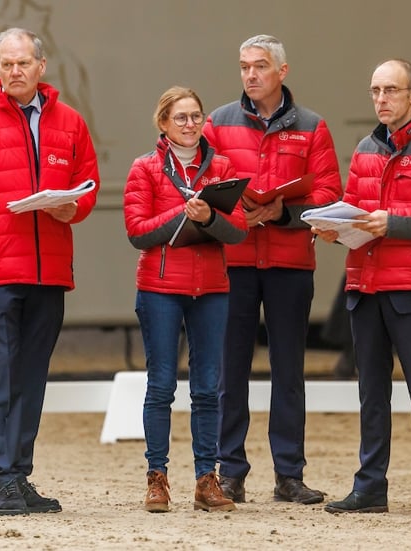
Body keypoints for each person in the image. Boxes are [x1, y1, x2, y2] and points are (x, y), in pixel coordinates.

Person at [0, 28, 99, 516]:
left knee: (32, 377)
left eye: (22, 63)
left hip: (49, 273)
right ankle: (4, 478)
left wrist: (76, 207)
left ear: (41, 66)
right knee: (4, 375)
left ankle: (21, 473)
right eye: (6, 64)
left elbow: (87, 181)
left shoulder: (70, 122)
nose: (13, 71)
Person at [317, 59, 411, 516]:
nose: (381, 99)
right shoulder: (366, 147)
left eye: (391, 90)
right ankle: (370, 487)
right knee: (371, 393)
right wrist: (334, 227)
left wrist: (395, 223)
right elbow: (358, 210)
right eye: (375, 91)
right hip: (365, 283)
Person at [203, 34, 343, 504]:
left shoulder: (312, 126)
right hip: (234, 262)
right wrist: (241, 211)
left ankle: (289, 475)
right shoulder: (217, 123)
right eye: (244, 66)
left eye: (260, 66)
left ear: (282, 71)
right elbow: (201, 185)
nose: (250, 75)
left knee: (289, 370)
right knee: (231, 371)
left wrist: (284, 212)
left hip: (289, 262)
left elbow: (328, 193)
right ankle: (230, 472)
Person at [124, 86, 248, 513]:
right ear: (163, 124)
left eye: (196, 116)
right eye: (181, 117)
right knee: (160, 386)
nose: (191, 124)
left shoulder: (224, 168)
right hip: (160, 289)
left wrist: (210, 216)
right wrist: (183, 213)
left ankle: (206, 479)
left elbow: (239, 231)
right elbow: (137, 231)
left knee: (208, 389)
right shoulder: (145, 168)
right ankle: (156, 477)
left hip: (211, 288)